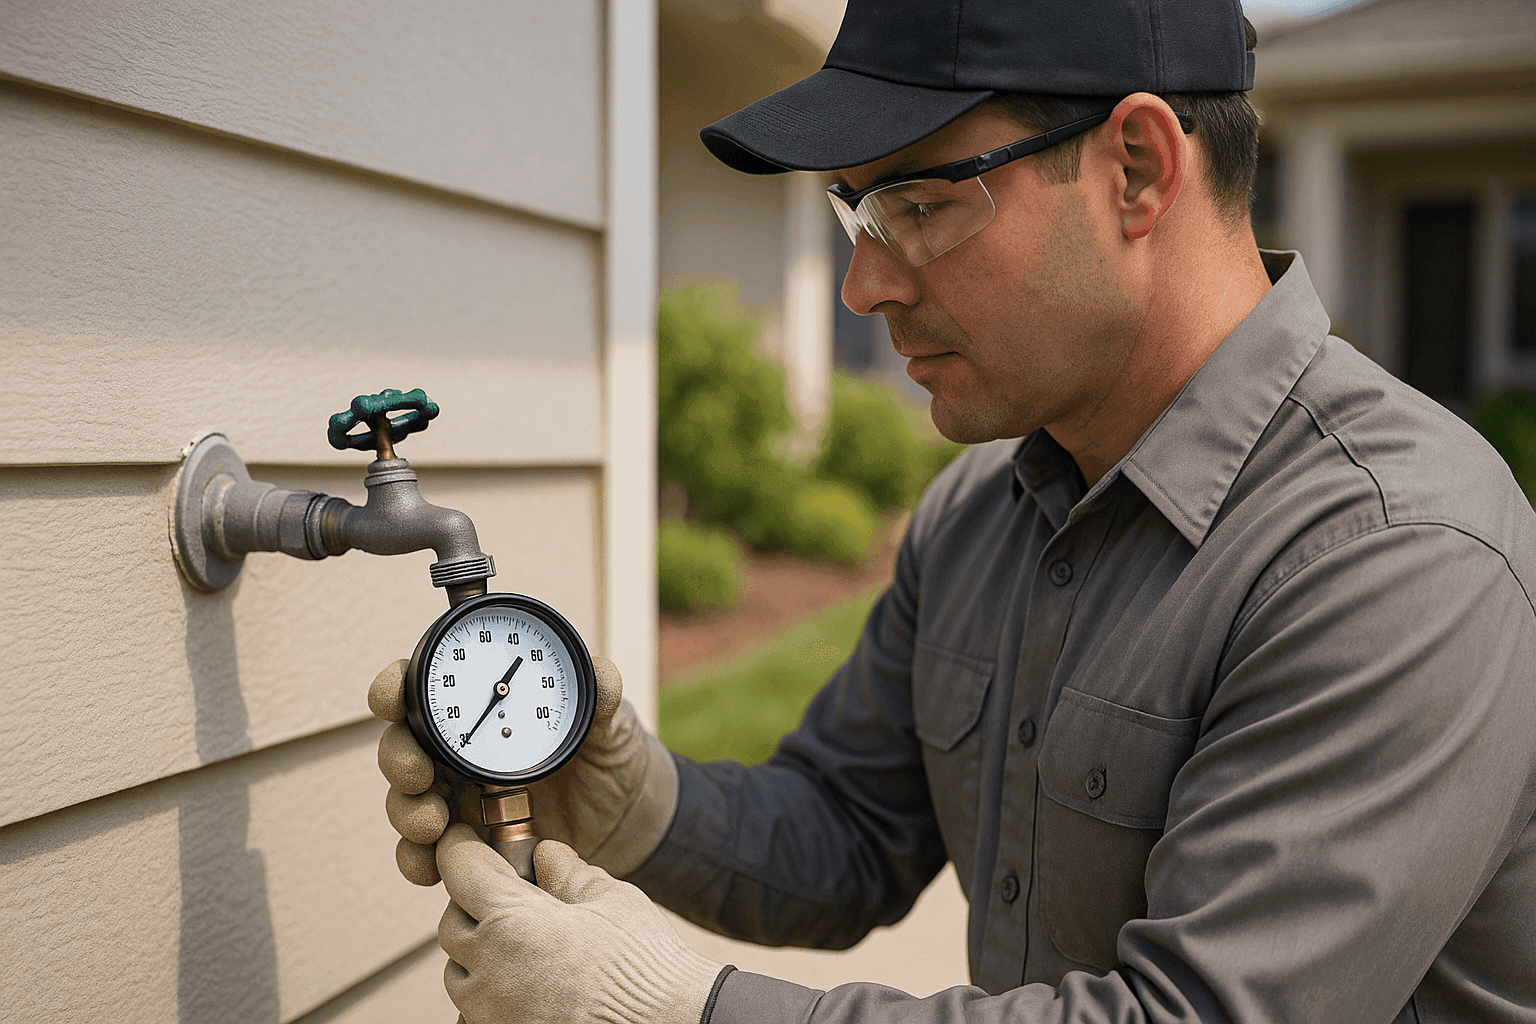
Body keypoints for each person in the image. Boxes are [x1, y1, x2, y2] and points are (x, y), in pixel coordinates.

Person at [369, 1, 1536, 1021]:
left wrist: (672, 1010)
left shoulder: (1396, 553)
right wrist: (631, 803)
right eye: (855, 213)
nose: (864, 284)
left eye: (918, 204)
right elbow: (846, 831)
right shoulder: (981, 510)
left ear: (1137, 168)